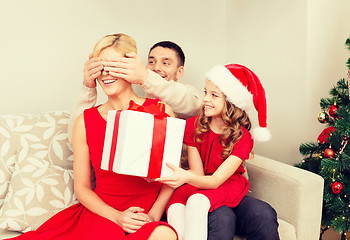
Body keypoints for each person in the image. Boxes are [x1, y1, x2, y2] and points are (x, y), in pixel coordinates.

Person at [68, 40, 280, 240]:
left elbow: (191, 102)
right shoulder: (175, 115)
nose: (156, 67)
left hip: (214, 185)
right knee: (221, 218)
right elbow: (84, 132)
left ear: (180, 72)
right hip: (186, 186)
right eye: (151, 61)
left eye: (165, 62)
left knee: (262, 213)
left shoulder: (187, 100)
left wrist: (145, 76)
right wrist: (89, 86)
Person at [6, 33, 178, 240]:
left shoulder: (160, 110)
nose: (106, 73)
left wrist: (153, 214)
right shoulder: (84, 122)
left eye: (114, 65)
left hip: (146, 216)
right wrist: (117, 217)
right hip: (103, 214)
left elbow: (172, 175)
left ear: (130, 66)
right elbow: (82, 188)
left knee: (165, 235)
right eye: (100, 66)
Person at [155, 64, 270, 240]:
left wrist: (185, 178)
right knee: (175, 206)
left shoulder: (243, 137)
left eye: (214, 95)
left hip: (226, 184)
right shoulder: (193, 125)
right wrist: (181, 177)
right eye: (205, 92)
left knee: (197, 201)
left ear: (231, 102)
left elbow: (216, 181)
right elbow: (197, 173)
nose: (205, 99)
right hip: (200, 181)